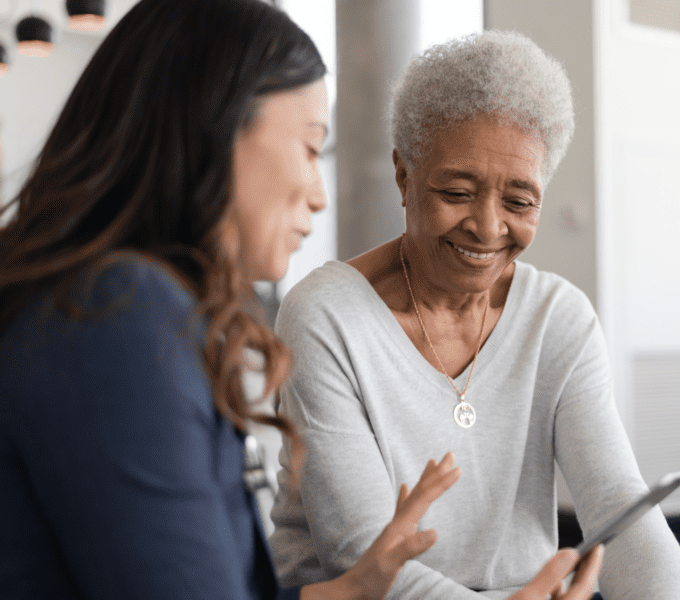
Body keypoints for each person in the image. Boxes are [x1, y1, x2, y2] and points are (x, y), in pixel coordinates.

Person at [269, 31, 680, 600]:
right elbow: (363, 556)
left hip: (529, 594)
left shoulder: (558, 317)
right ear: (404, 175)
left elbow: (617, 502)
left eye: (518, 202)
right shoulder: (326, 316)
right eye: (457, 192)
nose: (488, 228)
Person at [0, 1, 479, 598]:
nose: (319, 195)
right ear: (216, 128)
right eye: (309, 147)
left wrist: (355, 588)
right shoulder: (118, 311)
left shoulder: (113, 303)